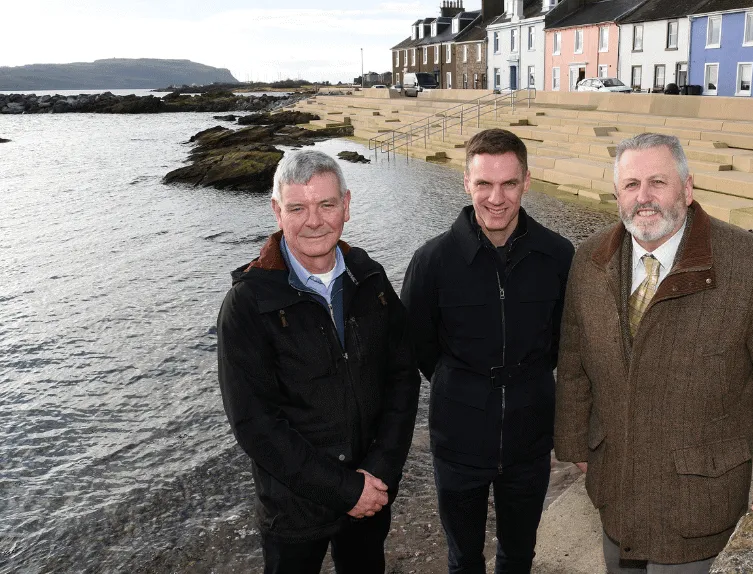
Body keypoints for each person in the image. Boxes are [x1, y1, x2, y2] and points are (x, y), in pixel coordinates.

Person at [554, 133, 753, 573]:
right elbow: (573, 361)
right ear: (617, 194)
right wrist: (575, 443)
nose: (643, 198)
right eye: (631, 185)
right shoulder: (590, 260)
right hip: (615, 494)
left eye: (658, 182)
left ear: (687, 187)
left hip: (697, 503)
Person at [217, 149, 420, 574]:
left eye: (327, 204)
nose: (314, 220)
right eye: (298, 207)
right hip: (295, 509)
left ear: (346, 206)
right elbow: (256, 425)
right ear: (277, 211)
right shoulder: (248, 304)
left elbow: (402, 378)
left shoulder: (370, 278)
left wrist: (379, 472)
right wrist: (347, 489)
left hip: (371, 490)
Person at [400, 128, 574, 574]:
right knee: (464, 559)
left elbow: (562, 342)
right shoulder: (431, 261)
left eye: (508, 184)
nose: (496, 198)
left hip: (530, 439)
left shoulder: (557, 256)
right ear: (466, 183)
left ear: (526, 182)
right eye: (484, 184)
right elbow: (420, 349)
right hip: (457, 440)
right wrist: (465, 385)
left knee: (518, 556)